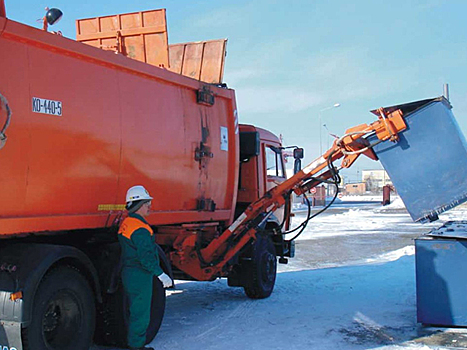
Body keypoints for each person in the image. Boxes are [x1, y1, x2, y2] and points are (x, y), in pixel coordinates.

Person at [118, 185, 173, 350]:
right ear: (139, 205)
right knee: (141, 313)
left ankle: (134, 342)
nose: (149, 206)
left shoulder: (128, 223)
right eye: (147, 203)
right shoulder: (140, 229)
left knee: (135, 309)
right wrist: (161, 274)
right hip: (140, 275)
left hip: (130, 272)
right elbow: (146, 257)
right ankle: (137, 346)